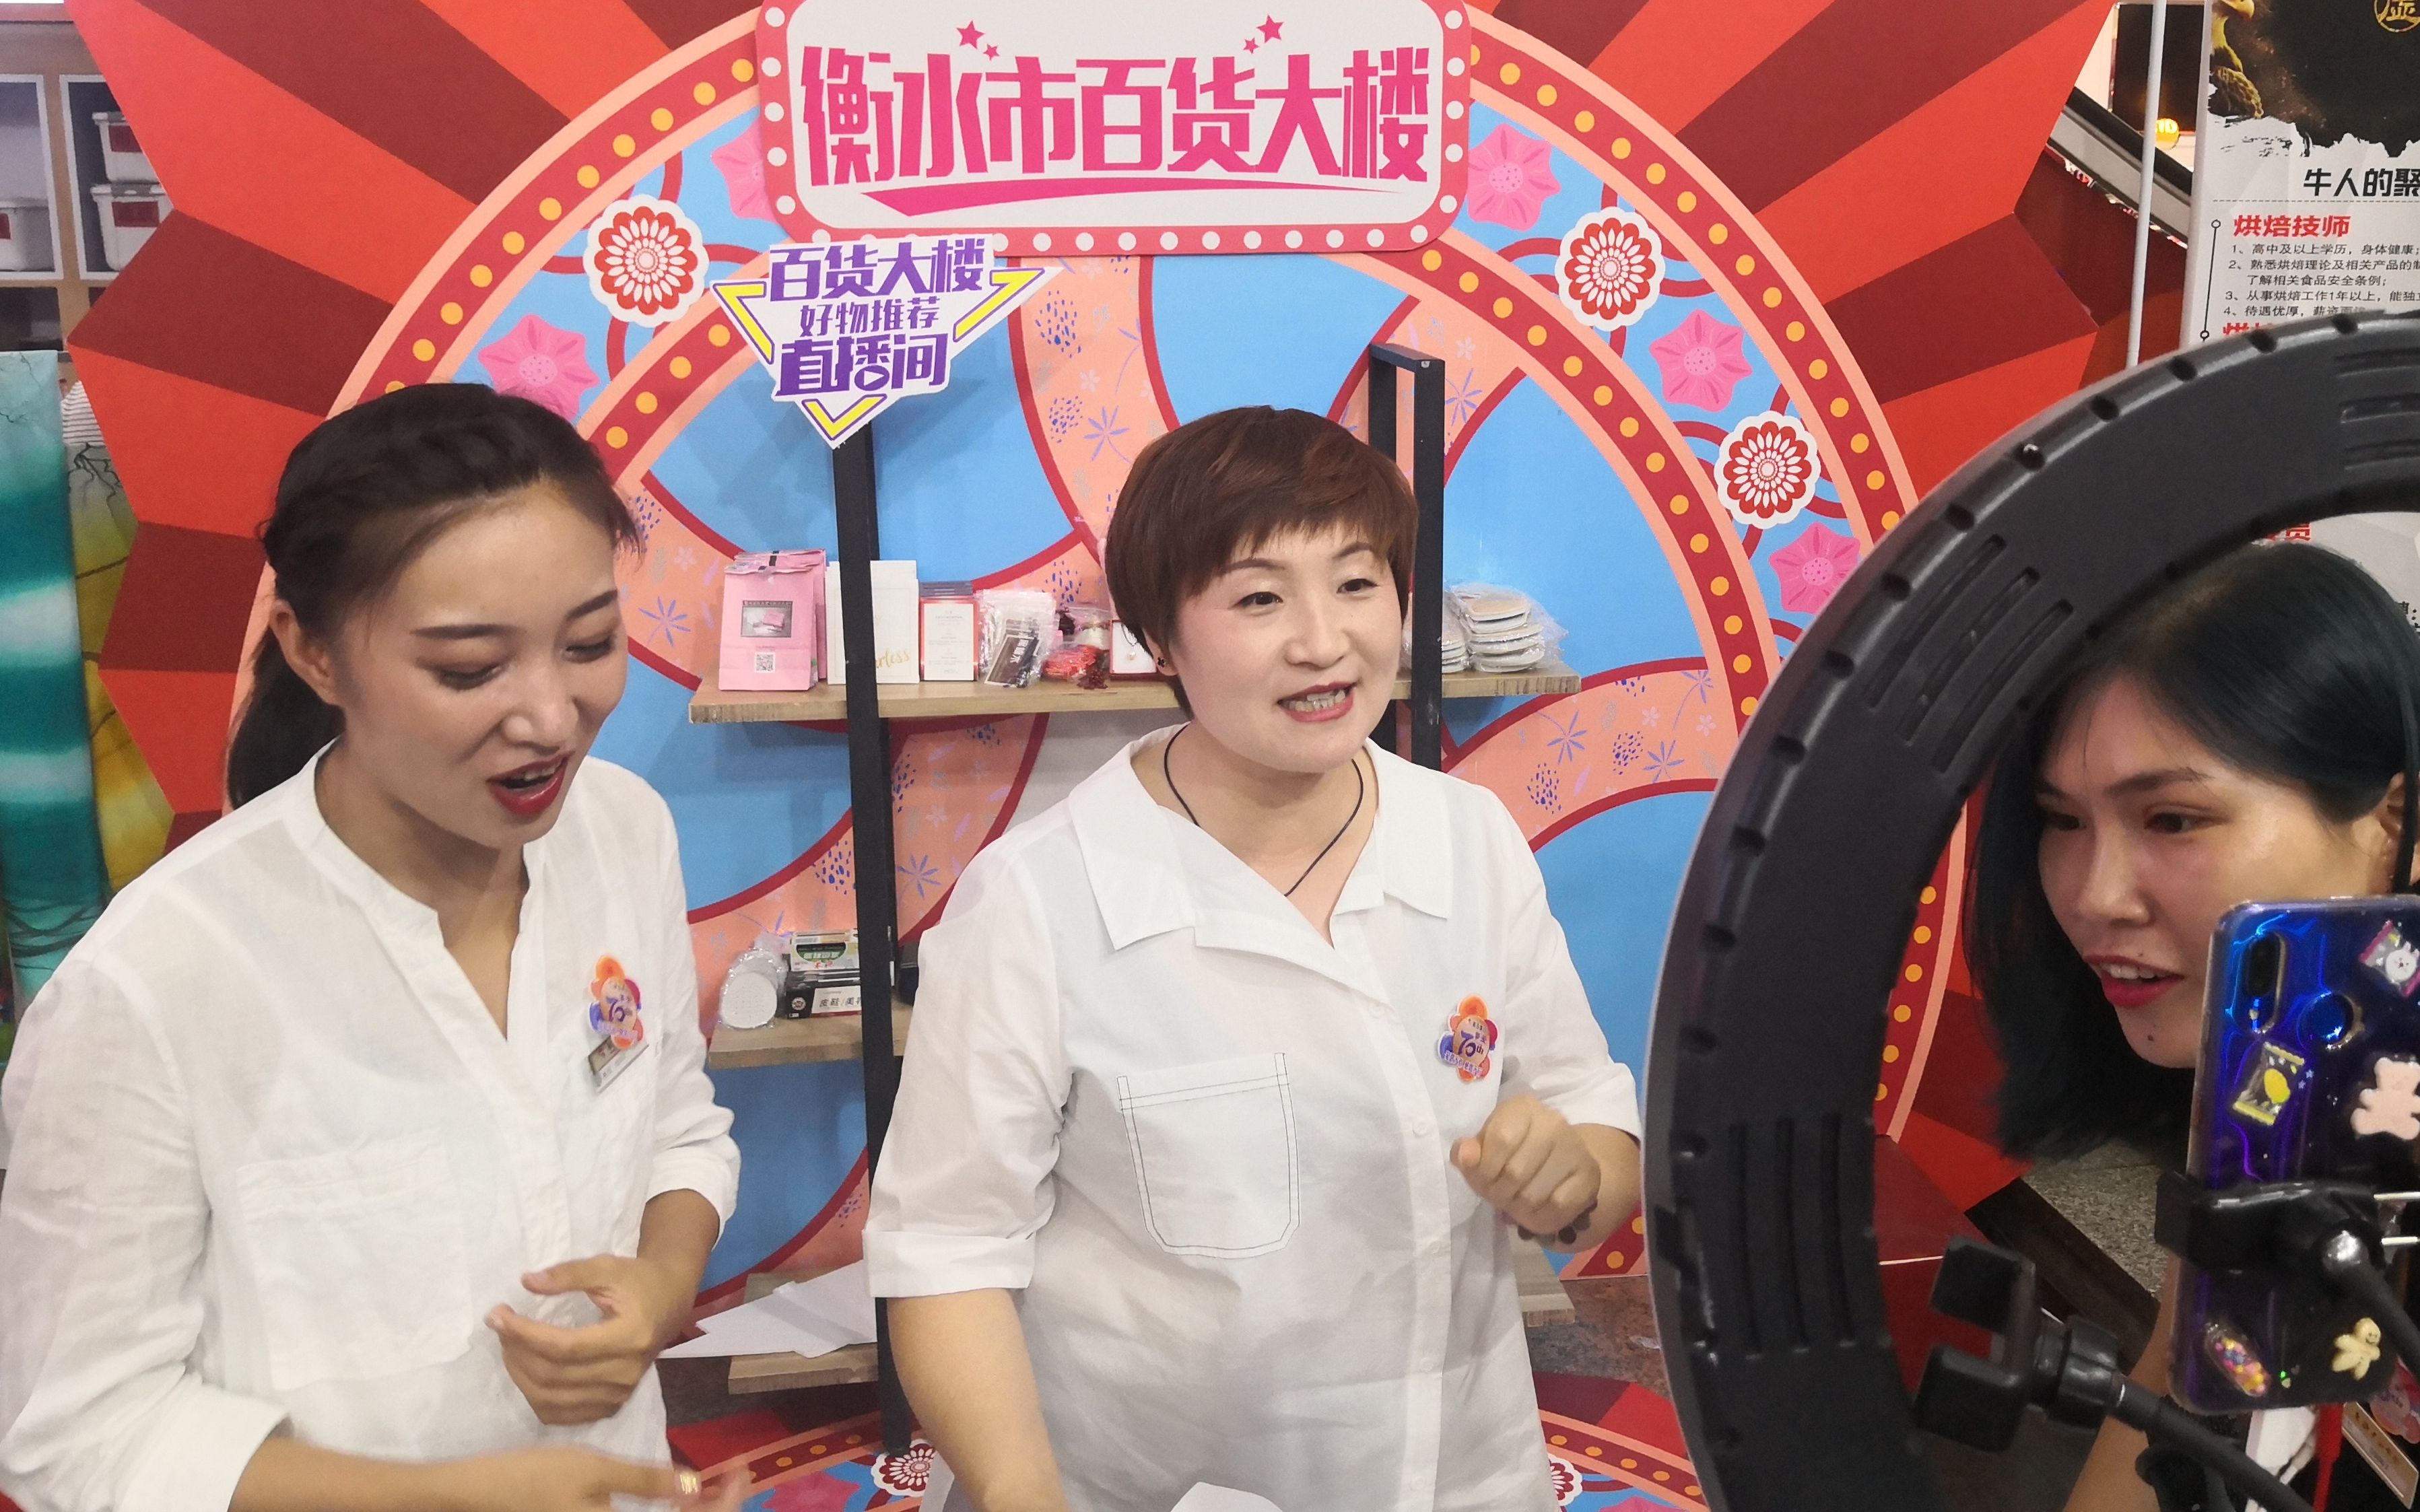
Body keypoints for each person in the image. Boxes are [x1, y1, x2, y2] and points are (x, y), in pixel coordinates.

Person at [865, 406, 1645, 1512]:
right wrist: (1019, 1489)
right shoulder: (1037, 898)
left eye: (1357, 583)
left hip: (1459, 1474)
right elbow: (947, 1252)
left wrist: (1570, 1179)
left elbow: (1593, 1129)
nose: (1322, 642)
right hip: (1132, 1486)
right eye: (1258, 598)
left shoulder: (1467, 837)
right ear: (1159, 637)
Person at [0, 384, 746, 1512]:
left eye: (590, 642)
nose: (552, 716)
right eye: (469, 669)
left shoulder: (624, 833)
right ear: (313, 653)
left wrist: (657, 1285)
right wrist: (453, 1498)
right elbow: (77, 1433)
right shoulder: (157, 981)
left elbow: (676, 1124)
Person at [1970, 541, 2420, 1511]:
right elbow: (2179, 1381)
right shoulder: (2277, 1088)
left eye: (2172, 819)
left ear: (2391, 823)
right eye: (2062, 821)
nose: (2094, 896)